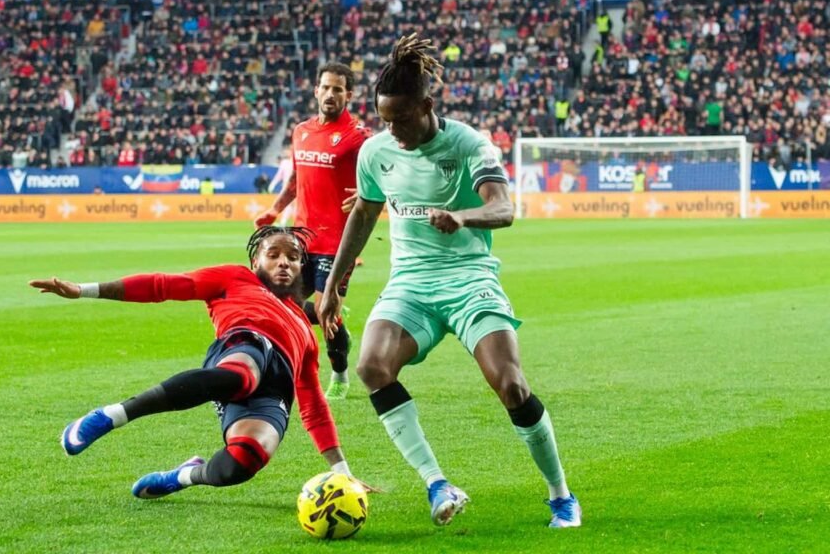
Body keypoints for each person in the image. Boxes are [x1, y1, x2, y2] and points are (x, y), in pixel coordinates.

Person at [317, 35, 581, 528]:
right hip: (410, 283)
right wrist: (332, 287)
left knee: (511, 385)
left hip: (468, 278)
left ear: (427, 106)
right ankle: (437, 483)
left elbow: (503, 208)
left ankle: (561, 495)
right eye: (385, 120)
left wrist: (462, 216)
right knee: (372, 367)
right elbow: (365, 214)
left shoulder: (468, 144)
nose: (393, 130)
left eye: (401, 119)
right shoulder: (376, 151)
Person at [30, 227, 364, 499]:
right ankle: (111, 415)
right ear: (255, 261)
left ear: (302, 267)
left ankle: (184, 475)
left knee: (243, 462)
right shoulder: (236, 278)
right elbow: (161, 286)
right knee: (243, 375)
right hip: (246, 343)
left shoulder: (306, 329)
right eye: (273, 254)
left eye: (292, 257)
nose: (283, 263)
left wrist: (342, 472)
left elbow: (313, 405)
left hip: (276, 386)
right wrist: (83, 290)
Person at [255, 62, 370, 400]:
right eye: (326, 87)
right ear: (316, 90)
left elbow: (388, 171)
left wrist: (368, 192)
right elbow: (296, 178)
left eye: (338, 89)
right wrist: (275, 209)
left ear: (349, 95)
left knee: (323, 310)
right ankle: (285, 364)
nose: (331, 94)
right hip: (300, 239)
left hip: (338, 242)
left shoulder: (359, 137)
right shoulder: (301, 131)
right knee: (279, 302)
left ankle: (340, 374)